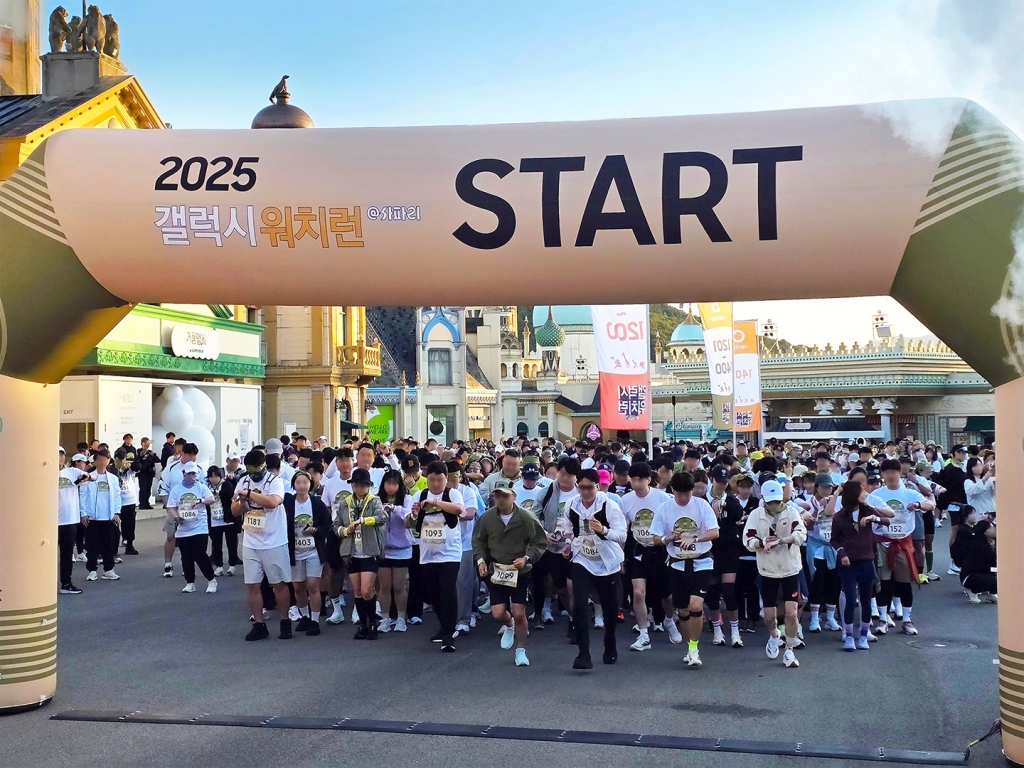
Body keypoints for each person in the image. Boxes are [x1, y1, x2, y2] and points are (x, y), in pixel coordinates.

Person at [473, 478, 547, 667]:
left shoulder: (526, 517)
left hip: (519, 571)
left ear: (513, 496)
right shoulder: (488, 518)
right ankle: (508, 625)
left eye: (505, 496)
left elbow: (539, 542)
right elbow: (478, 541)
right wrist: (481, 560)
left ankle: (521, 650)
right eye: (497, 496)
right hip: (497, 570)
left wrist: (526, 558)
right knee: (498, 613)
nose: (501, 500)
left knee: (519, 612)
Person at [652, 471, 719, 669]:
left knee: (696, 605)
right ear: (672, 491)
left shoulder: (701, 505)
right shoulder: (664, 508)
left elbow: (714, 532)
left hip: (702, 561)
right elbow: (655, 537)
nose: (683, 498)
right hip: (677, 562)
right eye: (679, 494)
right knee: (682, 608)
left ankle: (693, 648)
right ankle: (689, 645)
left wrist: (696, 538)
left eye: (687, 494)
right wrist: (668, 539)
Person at [566, 468, 627, 669]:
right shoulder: (571, 505)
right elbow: (566, 529)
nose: (585, 492)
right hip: (582, 559)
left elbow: (622, 535)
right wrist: (565, 543)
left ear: (598, 486)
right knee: (580, 604)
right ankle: (583, 654)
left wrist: (604, 530)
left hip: (606, 562)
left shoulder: (609, 506)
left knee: (610, 608)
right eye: (581, 487)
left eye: (589, 488)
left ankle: (610, 642)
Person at [743, 480, 806, 668]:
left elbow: (801, 534)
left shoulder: (791, 511)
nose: (774, 505)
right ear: (763, 499)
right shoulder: (756, 515)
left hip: (790, 569)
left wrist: (782, 540)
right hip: (767, 570)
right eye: (770, 501)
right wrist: (762, 543)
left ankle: (789, 651)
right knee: (769, 616)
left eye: (777, 501)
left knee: (791, 613)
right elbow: (748, 539)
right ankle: (773, 635)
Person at [232, 448, 292, 641]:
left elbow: (273, 502)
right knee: (252, 585)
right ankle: (259, 623)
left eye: (257, 471)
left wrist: (249, 494)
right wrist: (241, 502)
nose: (254, 475)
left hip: (274, 540)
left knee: (279, 584)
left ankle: (285, 620)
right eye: (251, 471)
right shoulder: (243, 481)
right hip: (251, 539)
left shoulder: (275, 482)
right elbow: (234, 510)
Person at [406, 461, 465, 652]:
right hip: (427, 553)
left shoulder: (452, 493)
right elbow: (409, 522)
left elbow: (459, 510)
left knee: (447, 590)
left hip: (450, 552)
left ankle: (449, 634)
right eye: (432, 479)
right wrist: (415, 514)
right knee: (434, 593)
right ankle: (444, 626)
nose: (436, 484)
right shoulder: (420, 495)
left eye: (440, 479)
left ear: (446, 479)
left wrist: (436, 502)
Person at [872, 459, 933, 636]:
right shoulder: (877, 494)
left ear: (900, 473)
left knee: (904, 583)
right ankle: (883, 619)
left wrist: (918, 505)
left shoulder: (909, 493)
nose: (891, 476)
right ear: (883, 475)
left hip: (903, 542)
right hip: (882, 541)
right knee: (884, 583)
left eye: (894, 472)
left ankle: (907, 619)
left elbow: (931, 504)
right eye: (887, 473)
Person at [619, 462, 676, 651]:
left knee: (666, 595)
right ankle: (644, 634)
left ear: (649, 480)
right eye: (632, 480)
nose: (636, 484)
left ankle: (669, 620)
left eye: (639, 480)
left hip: (660, 549)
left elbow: (671, 523)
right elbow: (622, 530)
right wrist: (621, 557)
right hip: (637, 549)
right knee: (638, 592)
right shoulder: (625, 501)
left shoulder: (663, 498)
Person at [831, 480, 892, 650]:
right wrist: (842, 553)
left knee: (866, 600)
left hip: (866, 560)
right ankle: (849, 636)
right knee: (850, 599)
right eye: (862, 491)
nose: (865, 493)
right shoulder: (839, 516)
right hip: (848, 563)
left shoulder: (867, 510)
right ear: (854, 495)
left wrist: (874, 517)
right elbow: (834, 540)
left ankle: (864, 635)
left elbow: (887, 521)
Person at [334, 467, 386, 639]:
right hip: (351, 551)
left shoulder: (374, 501)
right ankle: (363, 624)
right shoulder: (345, 502)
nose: (359, 488)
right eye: (356, 485)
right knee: (357, 591)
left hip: (370, 551)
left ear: (368, 486)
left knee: (366, 590)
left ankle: (372, 622)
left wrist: (364, 520)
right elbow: (335, 525)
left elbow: (382, 517)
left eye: (363, 485)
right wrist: (344, 531)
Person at [533, 456, 580, 631]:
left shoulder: (580, 492)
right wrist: (544, 534)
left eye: (569, 475)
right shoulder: (546, 492)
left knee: (572, 586)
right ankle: (561, 613)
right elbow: (534, 516)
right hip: (550, 546)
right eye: (561, 473)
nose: (564, 478)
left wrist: (573, 538)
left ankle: (575, 621)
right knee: (557, 586)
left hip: (575, 546)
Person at [285, 470, 331, 635]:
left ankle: (315, 620)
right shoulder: (288, 503)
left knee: (312, 585)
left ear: (310, 484)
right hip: (295, 550)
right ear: (294, 485)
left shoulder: (317, 504)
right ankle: (304, 616)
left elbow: (328, 525)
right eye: (298, 483)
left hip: (313, 550)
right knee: (298, 587)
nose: (302, 486)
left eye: (305, 482)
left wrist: (315, 530)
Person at [705, 464, 745, 648]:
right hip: (710, 550)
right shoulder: (702, 500)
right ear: (711, 479)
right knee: (712, 593)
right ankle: (717, 630)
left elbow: (738, 514)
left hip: (729, 549)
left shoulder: (731, 499)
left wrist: (726, 503)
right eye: (718, 481)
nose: (721, 485)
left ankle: (735, 633)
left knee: (729, 591)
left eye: (724, 481)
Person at [166, 462, 218, 594]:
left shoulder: (201, 487)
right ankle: (190, 582)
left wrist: (200, 501)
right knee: (186, 556)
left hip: (199, 527)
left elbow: (211, 499)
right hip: (183, 528)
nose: (192, 476)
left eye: (194, 473)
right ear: (184, 474)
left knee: (200, 554)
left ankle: (211, 580)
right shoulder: (176, 489)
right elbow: (171, 506)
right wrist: (177, 517)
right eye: (189, 473)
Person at [377, 470, 414, 633]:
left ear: (399, 485)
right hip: (383, 549)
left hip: (402, 549)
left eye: (394, 483)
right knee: (384, 586)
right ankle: (385, 619)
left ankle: (400, 618)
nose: (391, 487)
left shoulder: (406, 499)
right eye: (388, 483)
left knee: (399, 586)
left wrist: (394, 508)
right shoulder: (376, 499)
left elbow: (409, 518)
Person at [804, 474, 841, 633]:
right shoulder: (810, 503)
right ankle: (814, 617)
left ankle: (831, 618)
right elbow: (809, 526)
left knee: (834, 582)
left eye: (829, 487)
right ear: (817, 487)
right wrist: (818, 509)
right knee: (817, 582)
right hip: (817, 546)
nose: (827, 490)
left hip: (833, 546)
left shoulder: (838, 502)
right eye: (824, 487)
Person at [79, 449, 122, 582]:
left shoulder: (113, 479)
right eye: (101, 459)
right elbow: (82, 496)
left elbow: (117, 495)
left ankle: (108, 570)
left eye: (106, 459)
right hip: (93, 518)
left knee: (109, 545)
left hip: (108, 517)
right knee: (92, 546)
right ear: (95, 461)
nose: (103, 461)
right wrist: (84, 513)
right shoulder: (88, 477)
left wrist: (117, 512)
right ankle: (92, 571)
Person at [58, 449, 89, 595]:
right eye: (57, 454)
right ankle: (43, 584)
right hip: (50, 521)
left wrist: (84, 477)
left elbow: (89, 477)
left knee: (67, 553)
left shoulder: (71, 472)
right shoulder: (45, 471)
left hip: (69, 519)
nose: (60, 457)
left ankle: (66, 583)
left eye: (62, 454)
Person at [207, 466, 241, 576]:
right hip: (214, 519)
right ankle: (219, 566)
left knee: (231, 543)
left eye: (215, 476)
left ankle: (232, 565)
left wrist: (217, 492)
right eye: (211, 476)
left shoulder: (226, 484)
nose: (213, 479)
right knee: (216, 544)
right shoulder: (206, 487)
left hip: (228, 519)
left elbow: (230, 495)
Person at [113, 433, 141, 556]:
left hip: (129, 499)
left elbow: (138, 466)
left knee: (129, 524)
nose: (122, 460)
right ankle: (113, 547)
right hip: (116, 500)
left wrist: (131, 462)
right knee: (114, 525)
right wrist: (120, 469)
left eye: (123, 458)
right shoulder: (112, 469)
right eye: (119, 458)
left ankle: (129, 544)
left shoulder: (130, 467)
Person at [961, 520, 997, 603]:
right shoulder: (980, 545)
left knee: (997, 575)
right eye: (991, 527)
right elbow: (991, 563)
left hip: (981, 572)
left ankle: (992, 593)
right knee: (998, 579)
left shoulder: (989, 543)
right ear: (985, 532)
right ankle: (972, 590)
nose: (994, 529)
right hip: (969, 576)